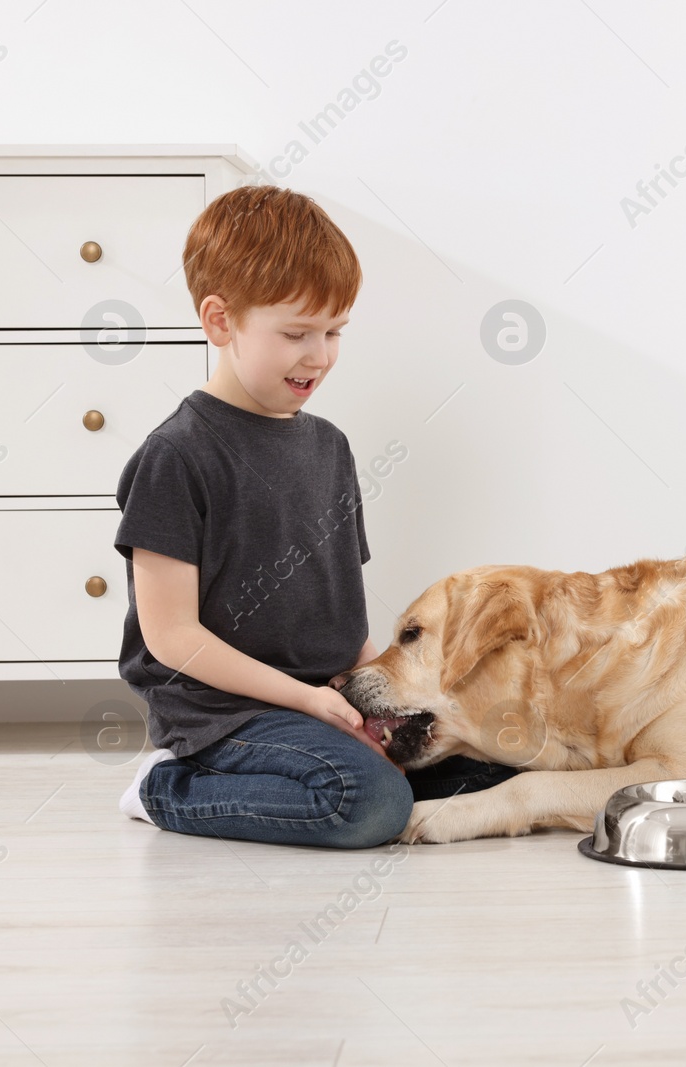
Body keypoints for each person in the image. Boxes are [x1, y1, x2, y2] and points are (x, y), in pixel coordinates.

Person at [111, 183, 517, 848]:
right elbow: (172, 638)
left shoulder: (329, 447)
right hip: (226, 713)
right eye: (297, 333)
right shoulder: (176, 456)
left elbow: (338, 613)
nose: (320, 355)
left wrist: (382, 700)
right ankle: (165, 787)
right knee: (369, 803)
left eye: (334, 332)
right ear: (220, 322)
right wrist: (307, 702)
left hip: (323, 694)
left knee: (489, 766)